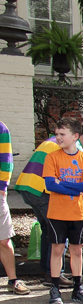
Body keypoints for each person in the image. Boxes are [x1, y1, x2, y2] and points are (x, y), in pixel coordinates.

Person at [13, 121, 83, 287]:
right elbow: (73, 180)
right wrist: (82, 191)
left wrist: (75, 187)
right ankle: (54, 275)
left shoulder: (54, 141)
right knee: (59, 232)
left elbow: (73, 181)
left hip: (27, 186)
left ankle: (47, 272)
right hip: (40, 190)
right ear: (82, 136)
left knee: (48, 230)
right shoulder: (73, 148)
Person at [41, 117, 83, 304]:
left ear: (75, 136)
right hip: (57, 212)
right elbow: (50, 185)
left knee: (76, 250)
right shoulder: (52, 157)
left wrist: (63, 183)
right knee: (57, 249)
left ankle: (78, 288)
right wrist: (77, 187)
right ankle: (55, 288)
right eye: (56, 134)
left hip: (78, 212)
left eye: (62, 134)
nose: (58, 137)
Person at [0, 121, 29, 294]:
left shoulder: (1, 128)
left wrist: (3, 187)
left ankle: (13, 280)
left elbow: (6, 158)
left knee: (3, 239)